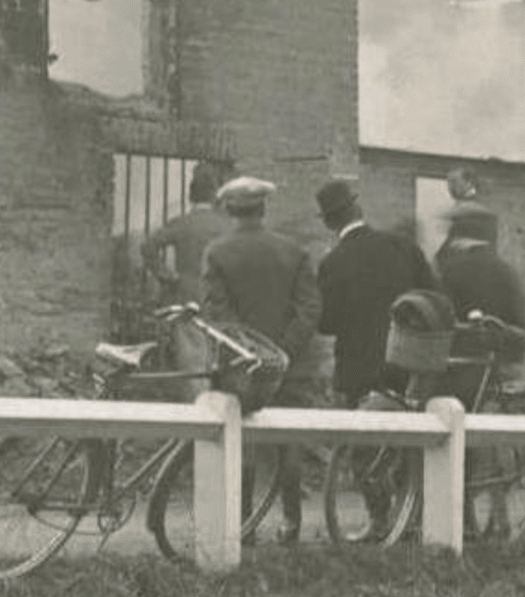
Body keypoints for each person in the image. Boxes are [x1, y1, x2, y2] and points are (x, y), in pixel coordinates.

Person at [201, 177, 322, 535]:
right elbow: (310, 308)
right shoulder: (293, 251)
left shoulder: (217, 252)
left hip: (240, 367)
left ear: (228, 209)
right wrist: (283, 350)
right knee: (289, 442)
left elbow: (218, 317)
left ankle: (245, 526)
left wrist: (250, 353)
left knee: (242, 443)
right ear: (263, 209)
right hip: (290, 364)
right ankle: (292, 523)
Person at [313, 178, 436, 406]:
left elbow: (325, 323)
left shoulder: (333, 262)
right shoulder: (403, 246)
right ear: (358, 210)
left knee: (357, 439)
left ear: (328, 223)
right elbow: (432, 299)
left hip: (357, 374)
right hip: (406, 367)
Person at [434, 204, 525, 406]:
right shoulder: (505, 271)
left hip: (458, 366)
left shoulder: (453, 270)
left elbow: (439, 313)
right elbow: (524, 320)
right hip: (497, 364)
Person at [141, 162, 234, 307]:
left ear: (191, 196)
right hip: (218, 296)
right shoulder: (227, 225)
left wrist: (167, 276)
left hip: (185, 294)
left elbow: (147, 247)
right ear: (214, 197)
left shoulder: (181, 223)